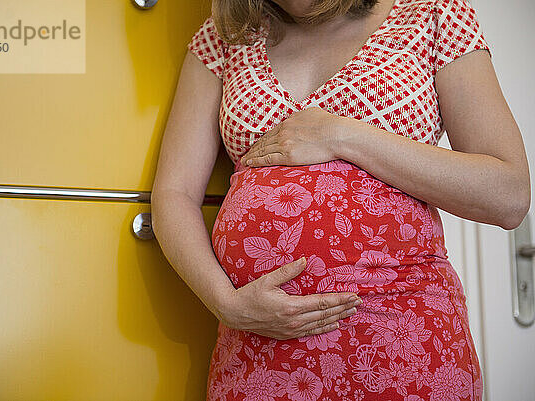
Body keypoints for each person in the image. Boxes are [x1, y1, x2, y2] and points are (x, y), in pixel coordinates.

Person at [151, 0, 530, 399]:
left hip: (403, 342)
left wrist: (340, 135)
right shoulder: (225, 37)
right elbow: (175, 194)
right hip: (260, 345)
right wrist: (227, 304)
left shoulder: (434, 14)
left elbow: (507, 194)